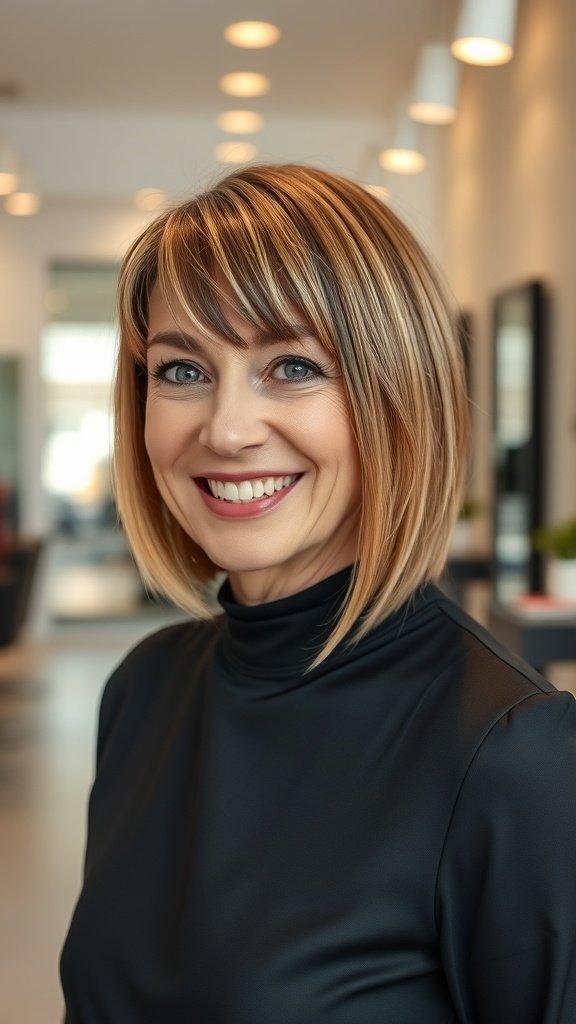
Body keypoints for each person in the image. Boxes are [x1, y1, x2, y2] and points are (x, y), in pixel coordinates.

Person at [60, 163, 576, 1023]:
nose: (225, 430)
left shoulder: (513, 754)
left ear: (396, 397)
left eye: (292, 366)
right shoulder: (143, 689)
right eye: (181, 371)